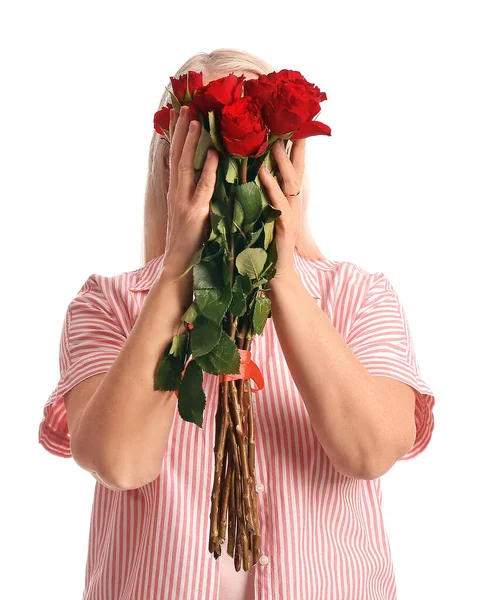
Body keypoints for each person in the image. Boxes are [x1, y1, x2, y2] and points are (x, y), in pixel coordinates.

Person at [38, 48, 436, 600]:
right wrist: (180, 272)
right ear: (170, 164)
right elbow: (120, 461)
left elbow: (369, 451)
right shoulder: (109, 303)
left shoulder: (358, 297)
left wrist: (281, 270)